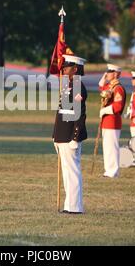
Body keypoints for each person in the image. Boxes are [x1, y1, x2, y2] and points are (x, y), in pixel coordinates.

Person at [53, 54, 87, 214]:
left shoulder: (78, 87)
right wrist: (55, 135)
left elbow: (79, 115)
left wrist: (75, 137)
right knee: (67, 172)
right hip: (62, 135)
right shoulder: (68, 86)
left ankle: (75, 206)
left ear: (75, 69)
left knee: (72, 171)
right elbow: (61, 113)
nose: (64, 70)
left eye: (67, 68)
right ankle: (69, 205)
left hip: (70, 136)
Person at [98, 64, 126, 178]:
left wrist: (105, 110)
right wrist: (104, 76)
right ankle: (108, 170)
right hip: (107, 121)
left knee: (112, 147)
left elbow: (118, 106)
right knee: (107, 147)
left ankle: (113, 171)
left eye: (109, 72)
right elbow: (101, 87)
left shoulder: (117, 88)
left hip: (113, 121)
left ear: (115, 74)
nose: (107, 73)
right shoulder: (110, 86)